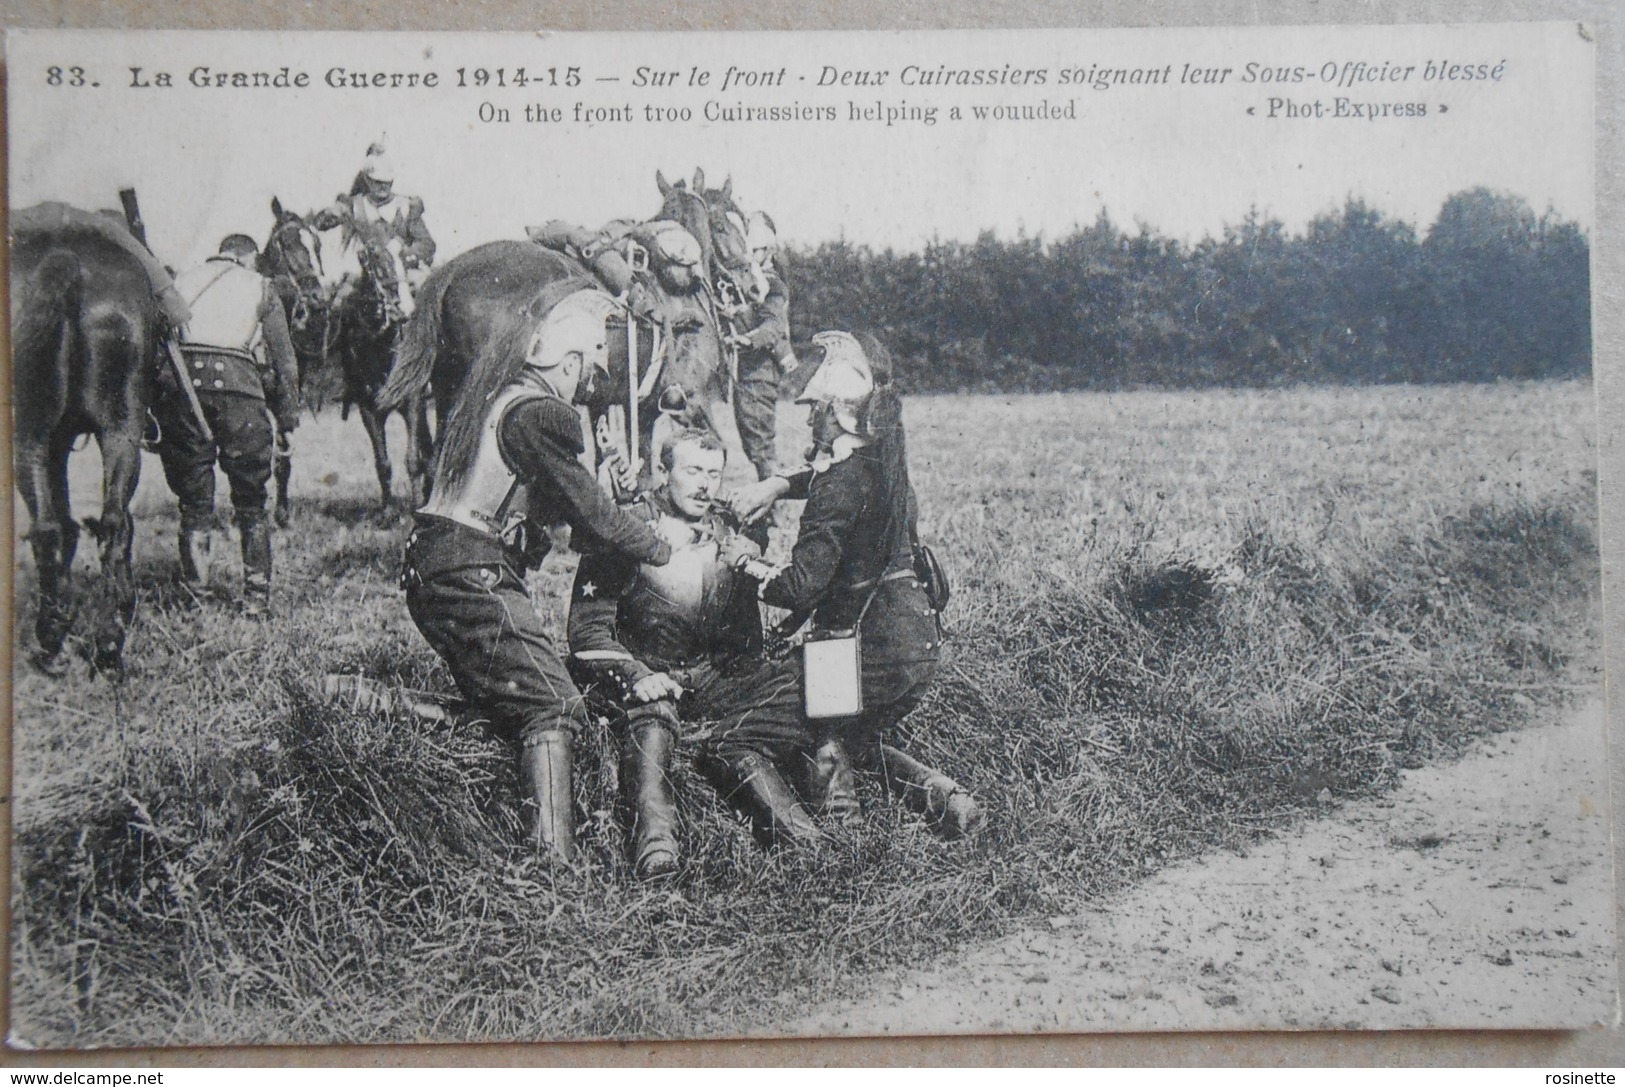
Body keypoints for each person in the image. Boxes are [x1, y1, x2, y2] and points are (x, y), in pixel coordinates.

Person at [400, 285, 671, 864]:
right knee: (557, 706)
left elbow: (544, 511)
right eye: (585, 372)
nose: (585, 386)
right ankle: (554, 870)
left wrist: (606, 493)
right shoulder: (542, 412)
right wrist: (657, 542)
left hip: (437, 562)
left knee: (513, 703)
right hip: (469, 569)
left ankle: (372, 705)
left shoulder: (497, 399)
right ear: (568, 362)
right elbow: (593, 521)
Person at [729, 331, 983, 837]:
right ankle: (945, 800)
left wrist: (743, 564)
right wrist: (780, 483)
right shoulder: (885, 464)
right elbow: (836, 477)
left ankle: (838, 845)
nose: (806, 419)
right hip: (917, 646)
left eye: (815, 409)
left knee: (757, 732)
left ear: (837, 414)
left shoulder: (838, 484)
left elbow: (799, 587)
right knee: (852, 736)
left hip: (868, 652)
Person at [568, 428, 826, 878]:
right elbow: (587, 629)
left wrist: (754, 561)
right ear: (662, 471)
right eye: (692, 471)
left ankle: (820, 834)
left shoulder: (730, 526)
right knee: (653, 714)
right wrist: (634, 673)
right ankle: (656, 846)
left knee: (806, 689)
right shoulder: (627, 527)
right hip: (650, 675)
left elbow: (770, 600)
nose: (705, 484)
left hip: (716, 677)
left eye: (714, 473)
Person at [156, 234, 302, 617]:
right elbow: (285, 362)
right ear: (250, 257)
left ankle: (195, 598)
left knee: (194, 503)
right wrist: (287, 418)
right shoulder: (260, 285)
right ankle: (255, 599)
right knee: (252, 501)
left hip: (184, 392)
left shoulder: (179, 280)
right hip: (240, 393)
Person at [313, 142, 435, 318]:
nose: (383, 187)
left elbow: (427, 244)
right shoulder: (354, 205)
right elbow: (321, 224)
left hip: (405, 272)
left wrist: (402, 256)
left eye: (387, 182)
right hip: (365, 274)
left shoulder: (406, 207)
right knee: (338, 307)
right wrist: (331, 214)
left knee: (429, 303)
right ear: (367, 180)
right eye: (378, 183)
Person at [725, 211, 798, 488]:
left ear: (766, 251)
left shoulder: (772, 284)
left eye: (752, 250)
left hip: (760, 373)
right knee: (753, 443)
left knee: (760, 446)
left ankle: (773, 505)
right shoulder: (754, 283)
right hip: (750, 374)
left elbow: (773, 326)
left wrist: (748, 340)